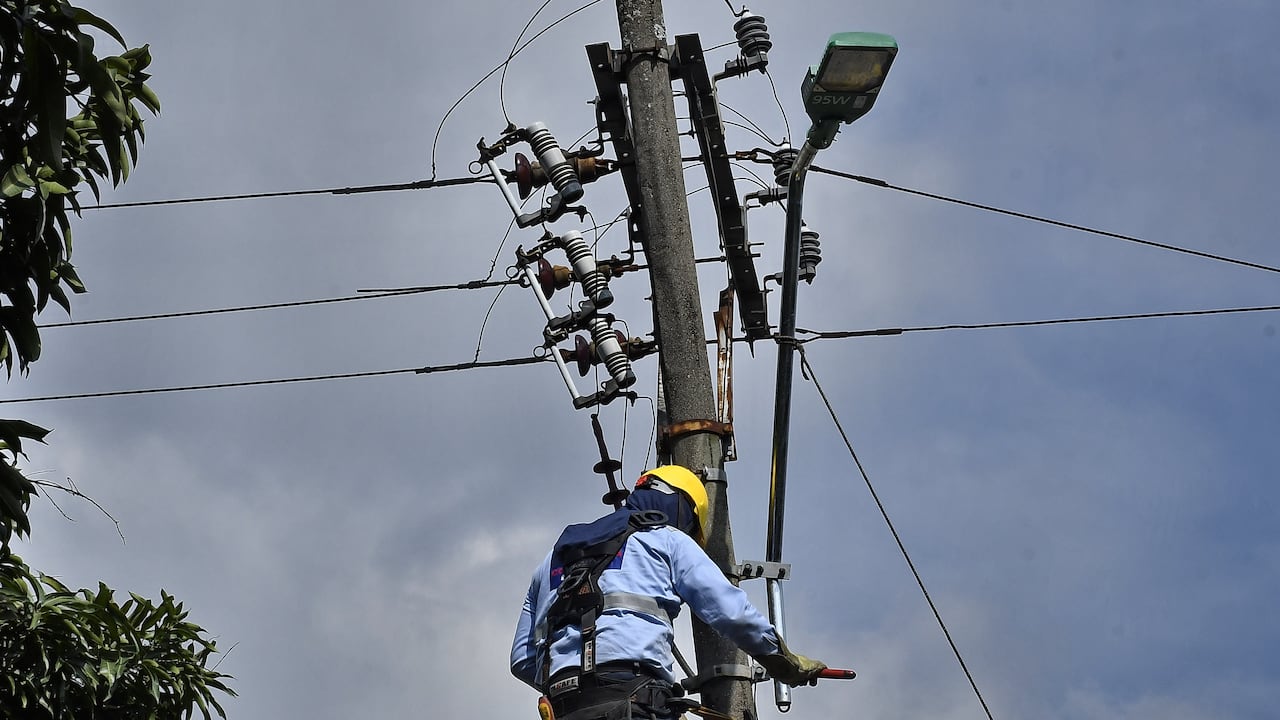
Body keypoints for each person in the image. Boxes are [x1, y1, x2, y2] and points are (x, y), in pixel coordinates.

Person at [511, 465, 827, 720]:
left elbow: (522, 660)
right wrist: (782, 660)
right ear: (684, 511)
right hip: (633, 700)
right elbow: (732, 613)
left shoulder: (550, 563)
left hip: (564, 707)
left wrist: (580, 689)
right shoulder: (666, 539)